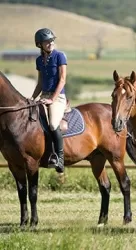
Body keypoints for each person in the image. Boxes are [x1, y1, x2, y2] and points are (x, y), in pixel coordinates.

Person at [31, 28, 67, 173]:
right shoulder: (39, 60)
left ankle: (60, 159)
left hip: (57, 97)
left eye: (52, 40)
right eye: (47, 41)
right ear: (40, 44)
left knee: (52, 124)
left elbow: (62, 80)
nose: (51, 43)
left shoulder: (60, 56)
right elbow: (40, 83)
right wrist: (32, 98)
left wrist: (52, 99)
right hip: (43, 96)